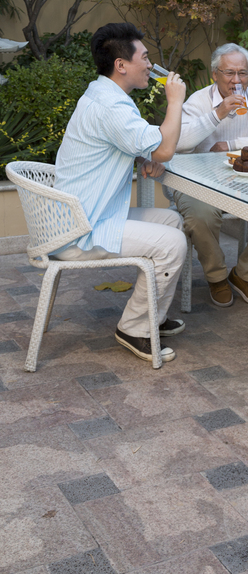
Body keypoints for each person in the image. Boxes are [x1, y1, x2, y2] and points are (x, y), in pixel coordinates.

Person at [54, 23, 188, 364]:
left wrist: (142, 155)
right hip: (78, 229)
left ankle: (151, 315)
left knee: (171, 221)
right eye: (144, 57)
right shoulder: (111, 106)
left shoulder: (105, 96)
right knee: (172, 244)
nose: (149, 64)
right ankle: (134, 329)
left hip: (86, 214)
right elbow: (166, 149)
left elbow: (138, 145)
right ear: (121, 65)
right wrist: (175, 101)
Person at [169, 43, 248, 308]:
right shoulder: (198, 101)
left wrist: (231, 145)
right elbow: (180, 141)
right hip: (199, 180)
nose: (236, 80)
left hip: (246, 179)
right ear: (215, 74)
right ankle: (216, 276)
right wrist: (219, 113)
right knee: (200, 214)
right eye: (229, 73)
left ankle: (245, 275)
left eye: (243, 73)